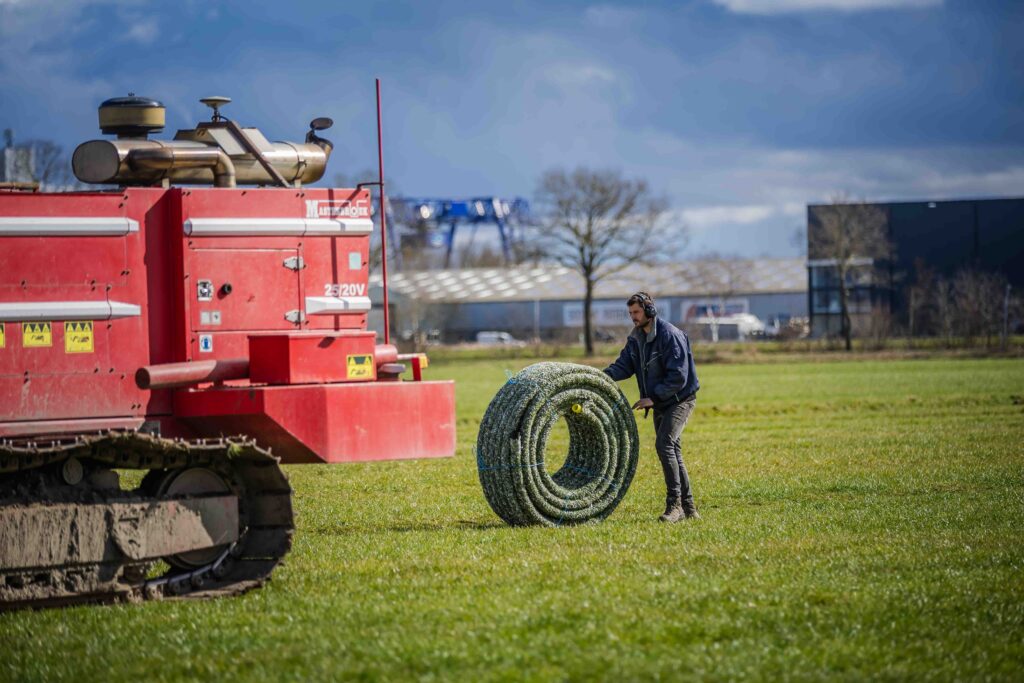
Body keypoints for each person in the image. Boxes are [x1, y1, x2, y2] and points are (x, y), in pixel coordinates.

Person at [604, 292, 700, 522]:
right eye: (630, 314)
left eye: (636, 312)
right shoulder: (635, 338)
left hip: (680, 399)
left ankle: (674, 506)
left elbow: (679, 376)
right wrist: (597, 377)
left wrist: (653, 398)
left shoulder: (670, 336)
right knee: (673, 451)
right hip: (660, 401)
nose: (633, 318)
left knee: (664, 444)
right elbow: (623, 367)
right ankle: (689, 509)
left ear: (650, 310)